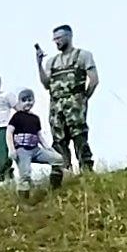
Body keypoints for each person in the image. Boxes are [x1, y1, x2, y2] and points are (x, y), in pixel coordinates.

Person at [38, 25, 99, 186]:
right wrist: (39, 64)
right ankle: (65, 171)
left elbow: (94, 80)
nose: (56, 42)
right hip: (56, 106)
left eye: (59, 38)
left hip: (75, 103)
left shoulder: (83, 56)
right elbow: (46, 84)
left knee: (79, 136)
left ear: (69, 37)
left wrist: (83, 98)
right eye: (54, 39)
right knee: (59, 140)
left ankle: (86, 169)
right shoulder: (52, 61)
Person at [6, 89, 65, 195]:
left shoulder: (35, 118)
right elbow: (9, 133)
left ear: (33, 101)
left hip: (35, 150)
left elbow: (39, 135)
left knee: (58, 159)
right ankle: (24, 199)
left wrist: (48, 148)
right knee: (25, 175)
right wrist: (11, 149)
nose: (27, 103)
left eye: (30, 100)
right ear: (19, 102)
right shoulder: (17, 116)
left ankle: (55, 188)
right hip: (22, 151)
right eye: (24, 100)